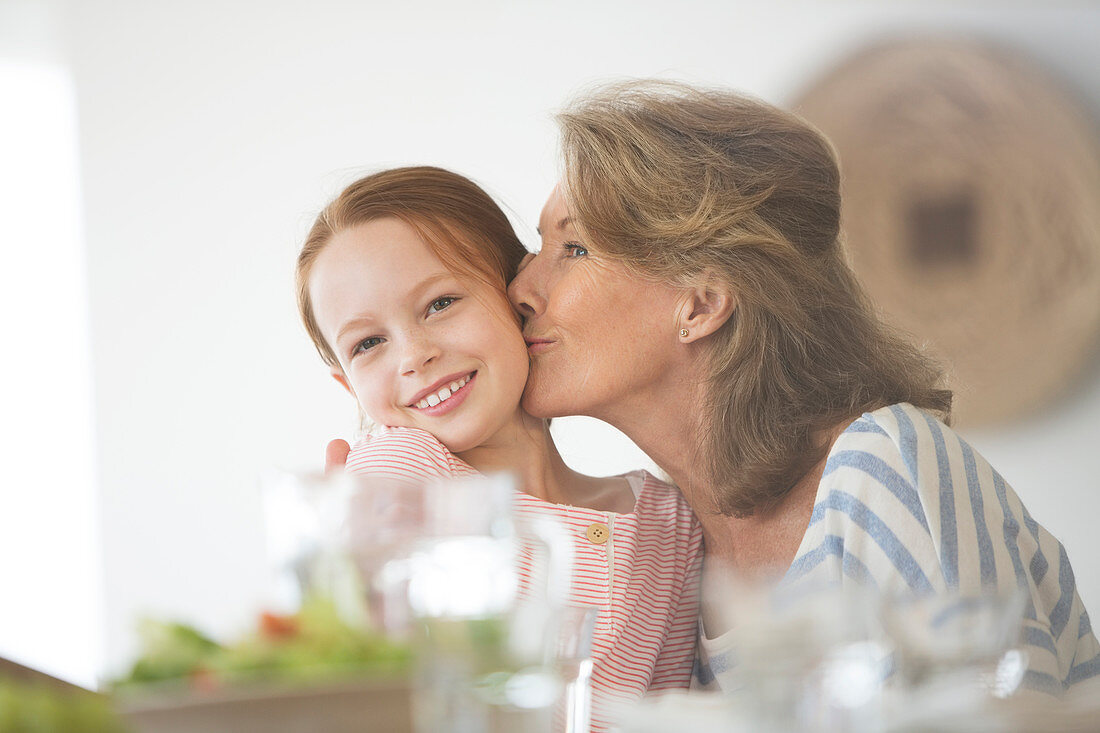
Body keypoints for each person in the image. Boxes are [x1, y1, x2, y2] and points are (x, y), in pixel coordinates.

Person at [505, 80, 1099, 695]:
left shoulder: (882, 465)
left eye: (572, 248)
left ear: (701, 304)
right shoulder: (671, 545)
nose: (522, 285)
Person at [295, 166, 704, 726]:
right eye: (368, 343)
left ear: (518, 297)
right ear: (349, 385)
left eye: (439, 304)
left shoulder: (668, 517)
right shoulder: (397, 477)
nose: (413, 355)